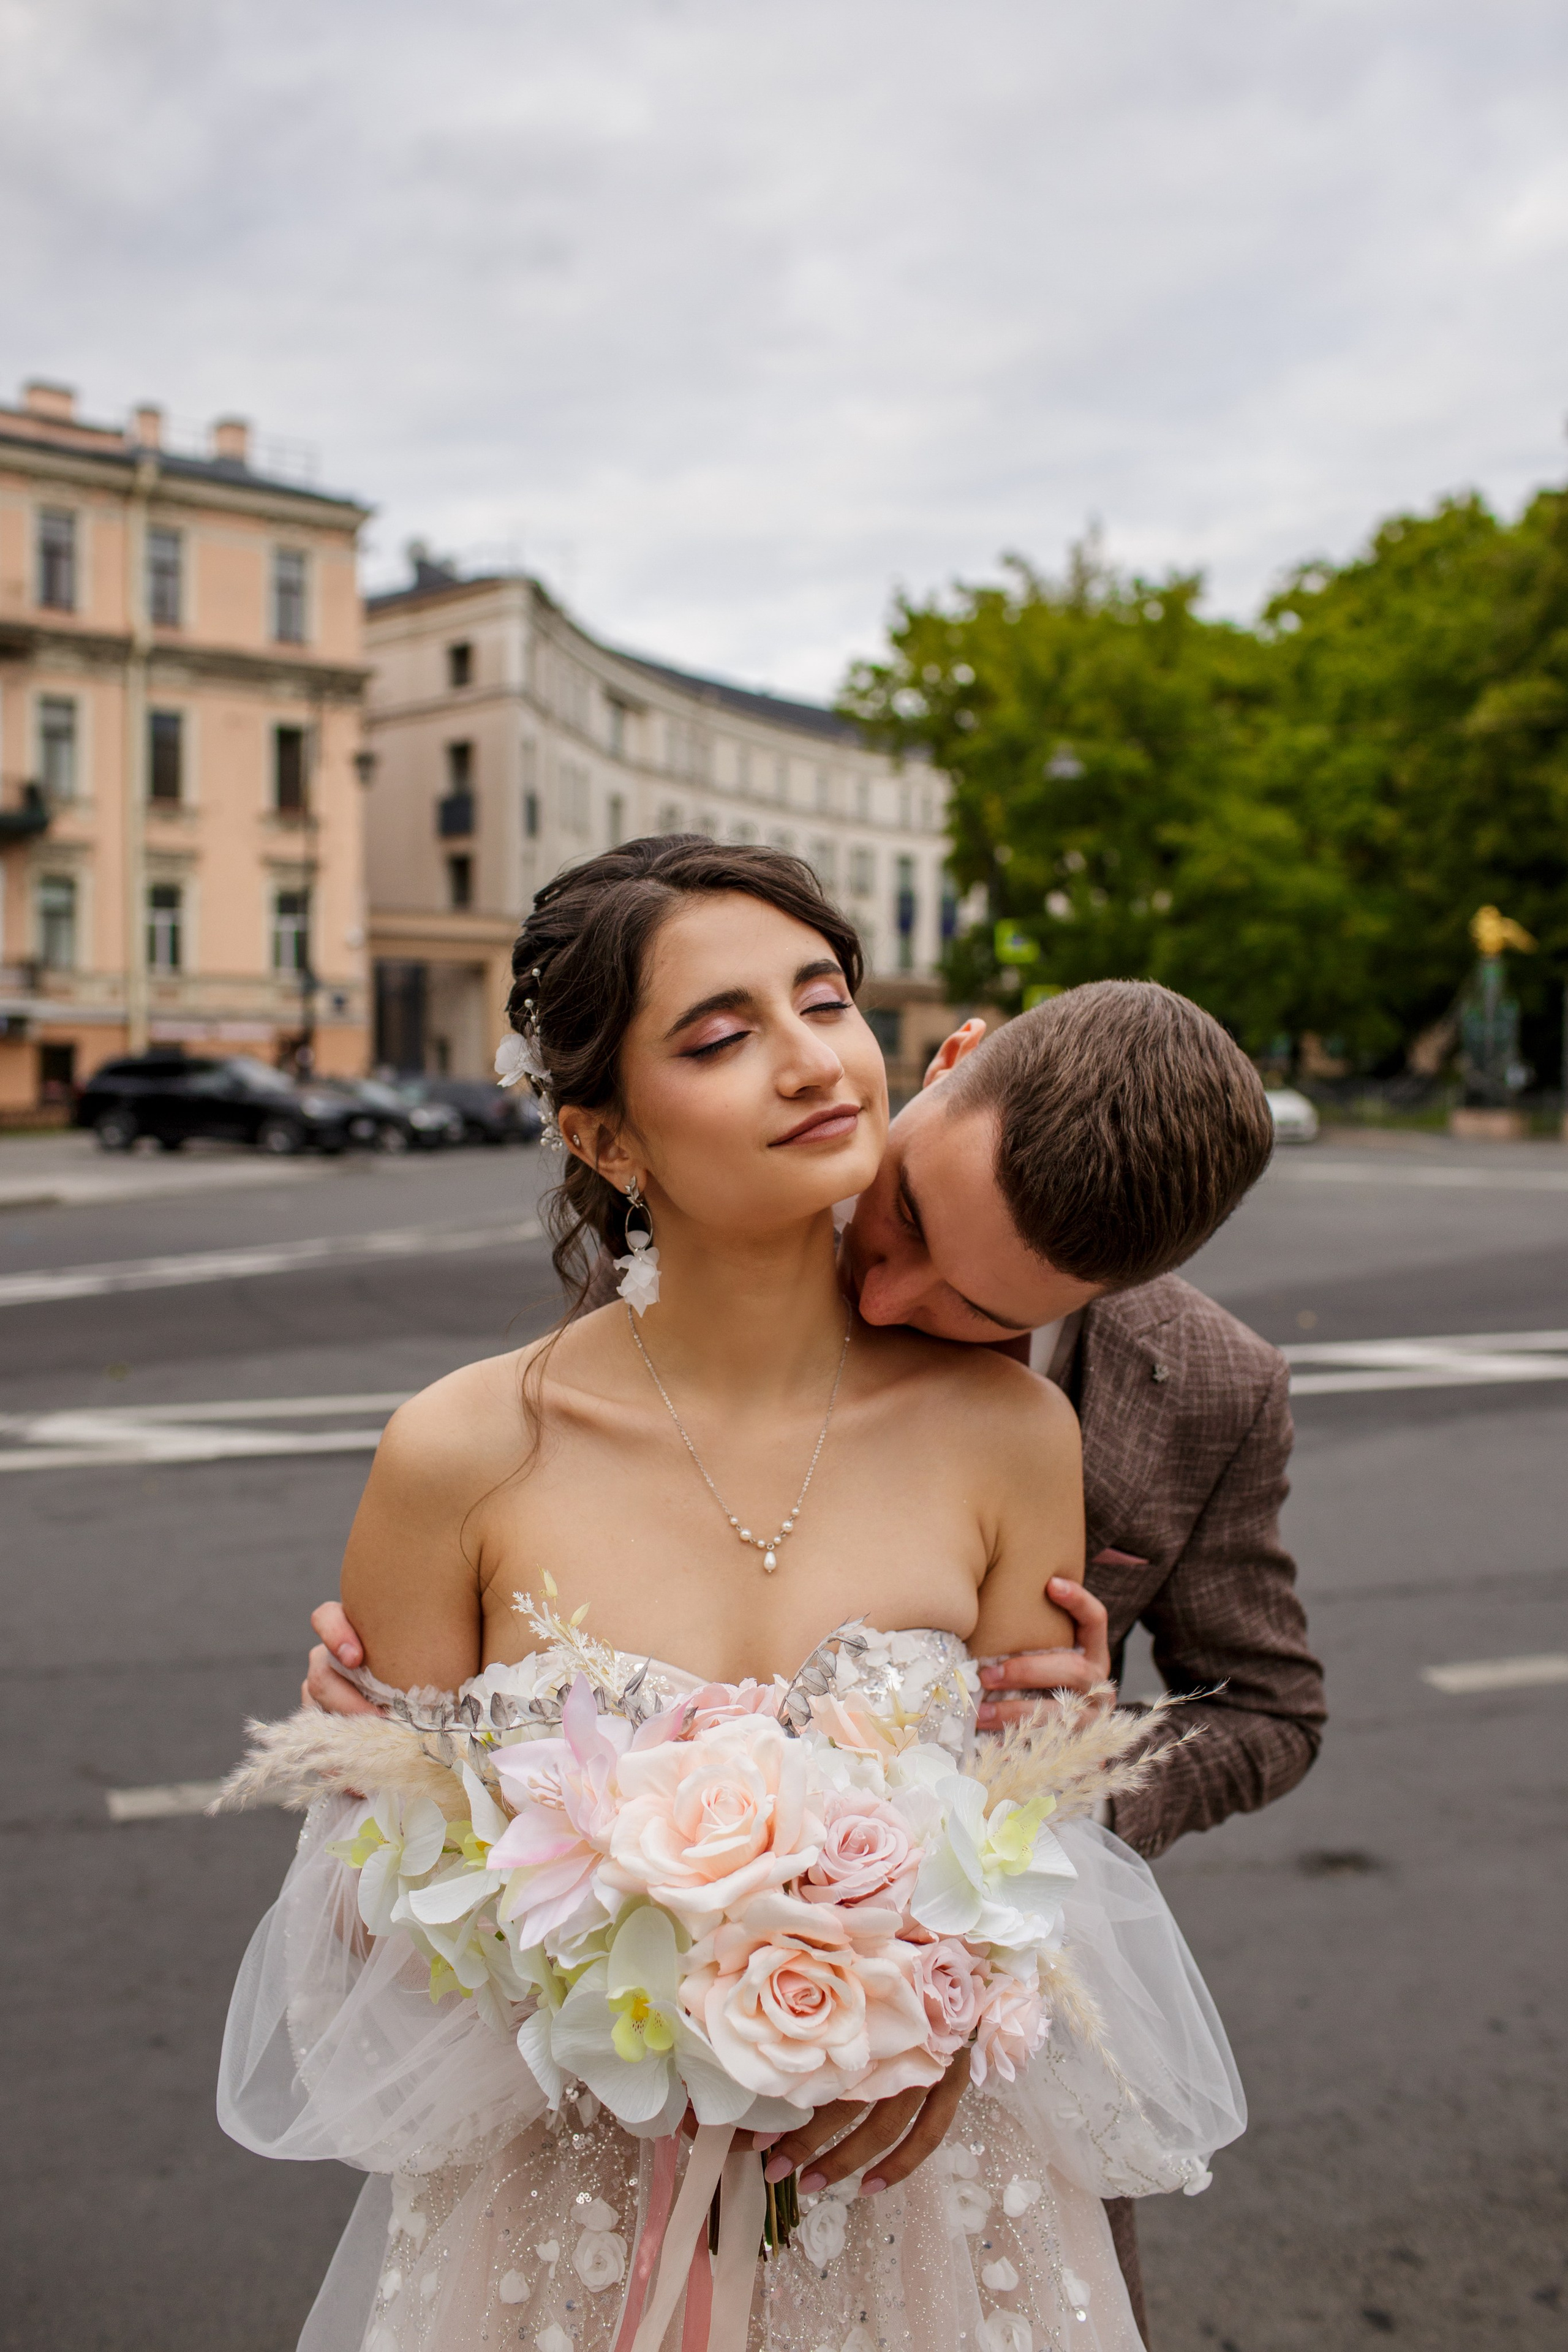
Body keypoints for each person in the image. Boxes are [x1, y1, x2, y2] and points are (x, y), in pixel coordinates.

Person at [222, 838, 1245, 2352]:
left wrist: (950, 2009)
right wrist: (391, 1801)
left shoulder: (1013, 1434)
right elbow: (374, 1945)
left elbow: (1033, 1856)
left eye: (822, 1000)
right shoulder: (458, 1454)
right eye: (718, 1035)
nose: (809, 1062)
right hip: (568, 2229)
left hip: (923, 2220)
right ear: (607, 1136)